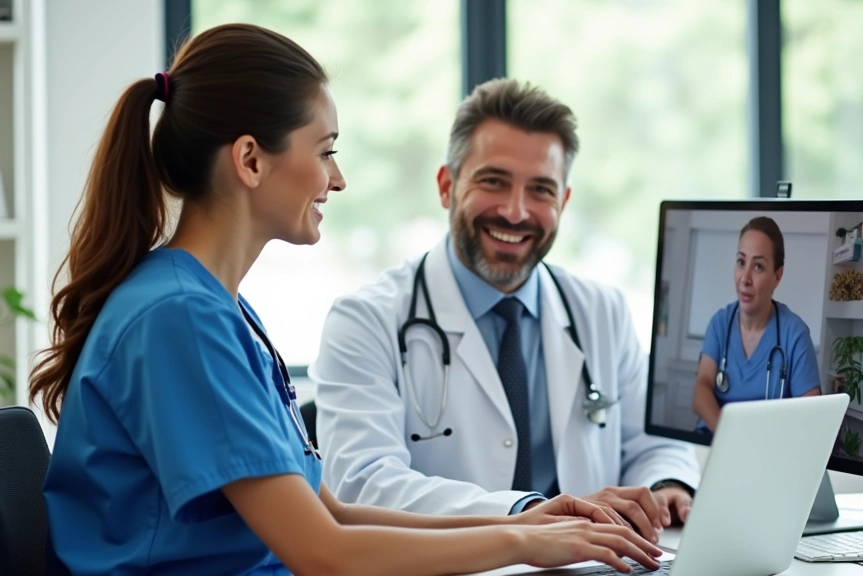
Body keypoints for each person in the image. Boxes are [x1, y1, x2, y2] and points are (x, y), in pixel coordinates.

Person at [31, 24, 664, 576]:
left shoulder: (213, 308)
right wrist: (524, 540)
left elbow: (329, 511)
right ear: (250, 160)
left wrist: (545, 527)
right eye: (326, 150)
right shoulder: (179, 319)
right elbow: (324, 555)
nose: (337, 177)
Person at [310, 78, 701, 544]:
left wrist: (666, 486)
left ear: (564, 201)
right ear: (445, 186)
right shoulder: (365, 321)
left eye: (541, 190)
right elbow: (363, 485)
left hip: (593, 565)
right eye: (493, 181)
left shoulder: (602, 311)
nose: (516, 212)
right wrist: (529, 514)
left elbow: (652, 443)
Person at [692, 216, 822, 436]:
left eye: (758, 266)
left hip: (767, 452)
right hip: (715, 442)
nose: (745, 278)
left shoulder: (795, 334)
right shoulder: (720, 323)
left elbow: (813, 417)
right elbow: (701, 390)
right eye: (741, 262)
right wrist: (730, 439)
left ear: (777, 277)